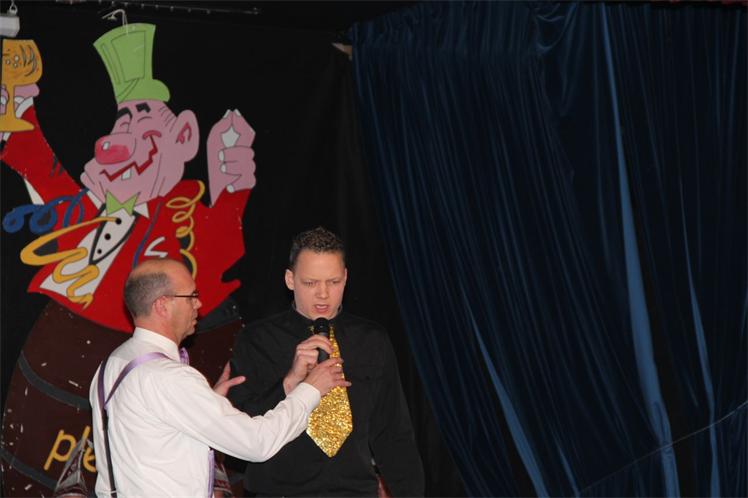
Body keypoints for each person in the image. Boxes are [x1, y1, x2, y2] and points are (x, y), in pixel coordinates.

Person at [88, 258, 350, 497]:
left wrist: (206, 402)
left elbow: (150, 440)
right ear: (162, 306)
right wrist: (310, 389)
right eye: (191, 296)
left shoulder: (112, 364)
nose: (199, 304)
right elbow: (257, 443)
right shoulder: (168, 378)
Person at [229, 227, 425, 496]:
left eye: (333, 282)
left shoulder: (371, 340)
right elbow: (238, 432)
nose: (323, 294)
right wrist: (289, 383)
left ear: (345, 278)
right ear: (290, 280)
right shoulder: (256, 340)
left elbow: (393, 434)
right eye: (310, 283)